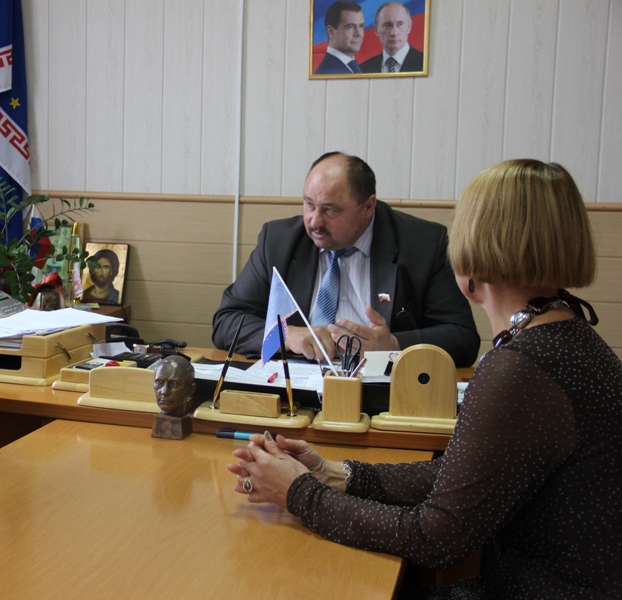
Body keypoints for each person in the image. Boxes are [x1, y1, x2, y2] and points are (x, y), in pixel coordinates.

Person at [227, 160, 622, 598]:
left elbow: (434, 538)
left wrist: (297, 493)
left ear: (474, 254)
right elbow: (463, 476)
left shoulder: (519, 369)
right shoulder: (567, 334)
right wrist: (338, 474)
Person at [212, 152, 479, 368]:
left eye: (330, 210)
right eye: (309, 204)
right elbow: (227, 321)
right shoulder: (278, 240)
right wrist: (285, 335)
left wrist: (394, 345)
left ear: (368, 207)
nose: (314, 222)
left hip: (381, 395)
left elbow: (463, 338)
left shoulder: (422, 244)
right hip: (295, 389)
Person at [360, 2, 424, 74]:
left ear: (409, 27)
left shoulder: (426, 63)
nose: (394, 33)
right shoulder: (363, 69)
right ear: (376, 30)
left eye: (400, 24)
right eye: (388, 25)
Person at [314, 1, 365, 75]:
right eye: (350, 27)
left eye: (361, 26)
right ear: (331, 31)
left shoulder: (352, 66)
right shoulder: (327, 73)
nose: (358, 34)